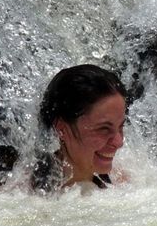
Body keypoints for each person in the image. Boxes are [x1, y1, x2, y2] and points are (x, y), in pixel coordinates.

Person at [31, 64, 127, 192]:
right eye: (104, 129)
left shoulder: (126, 185)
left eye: (121, 127)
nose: (119, 142)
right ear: (61, 128)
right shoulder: (20, 194)